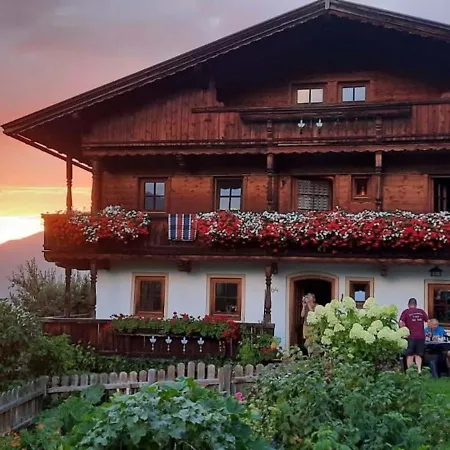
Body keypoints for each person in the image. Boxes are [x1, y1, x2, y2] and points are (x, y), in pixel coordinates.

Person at [399, 298, 428, 373]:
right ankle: (419, 371)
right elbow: (428, 320)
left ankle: (410, 371)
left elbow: (401, 322)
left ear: (408, 305)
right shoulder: (421, 312)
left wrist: (403, 331)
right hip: (421, 336)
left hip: (410, 336)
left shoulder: (406, 312)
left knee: (410, 355)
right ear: (416, 304)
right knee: (418, 355)